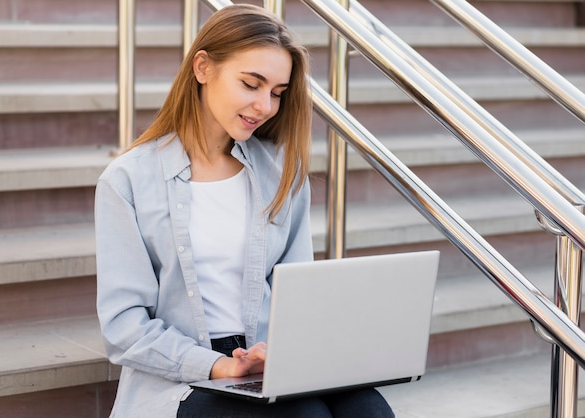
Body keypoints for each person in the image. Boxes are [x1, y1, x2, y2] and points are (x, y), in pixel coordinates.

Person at [95, 4, 395, 417]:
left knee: (370, 412)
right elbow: (124, 327)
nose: (265, 106)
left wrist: (290, 354)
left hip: (270, 358)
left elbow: (298, 296)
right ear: (203, 67)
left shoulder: (281, 172)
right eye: (251, 84)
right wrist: (220, 365)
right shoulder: (127, 180)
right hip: (186, 371)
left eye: (277, 92)